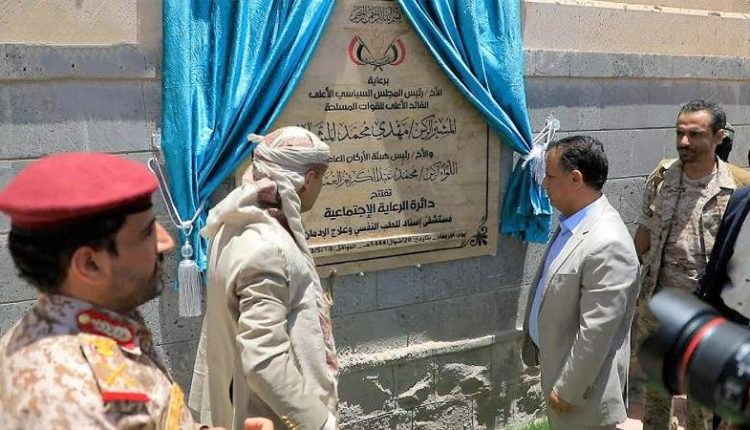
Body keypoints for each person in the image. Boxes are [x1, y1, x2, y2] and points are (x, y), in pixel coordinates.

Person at [0, 152, 274, 430]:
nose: (165, 243)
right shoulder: (64, 395)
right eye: (146, 234)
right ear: (90, 264)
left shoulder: (101, 321)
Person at [189, 126, 338, 430]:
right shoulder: (268, 248)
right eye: (322, 179)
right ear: (308, 180)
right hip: (266, 416)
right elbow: (264, 359)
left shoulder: (231, 224)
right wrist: (319, 423)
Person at [630, 100, 750, 429]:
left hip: (706, 314)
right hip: (657, 307)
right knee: (655, 396)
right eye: (679, 133)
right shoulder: (661, 179)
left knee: (702, 406)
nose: (684, 141)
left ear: (718, 136)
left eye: (695, 134)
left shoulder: (736, 190)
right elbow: (645, 231)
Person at [521, 135, 640, 430]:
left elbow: (597, 331)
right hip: (559, 369)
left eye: (550, 177)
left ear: (575, 179)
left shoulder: (607, 242)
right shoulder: (574, 224)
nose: (544, 184)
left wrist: (568, 389)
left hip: (583, 395)